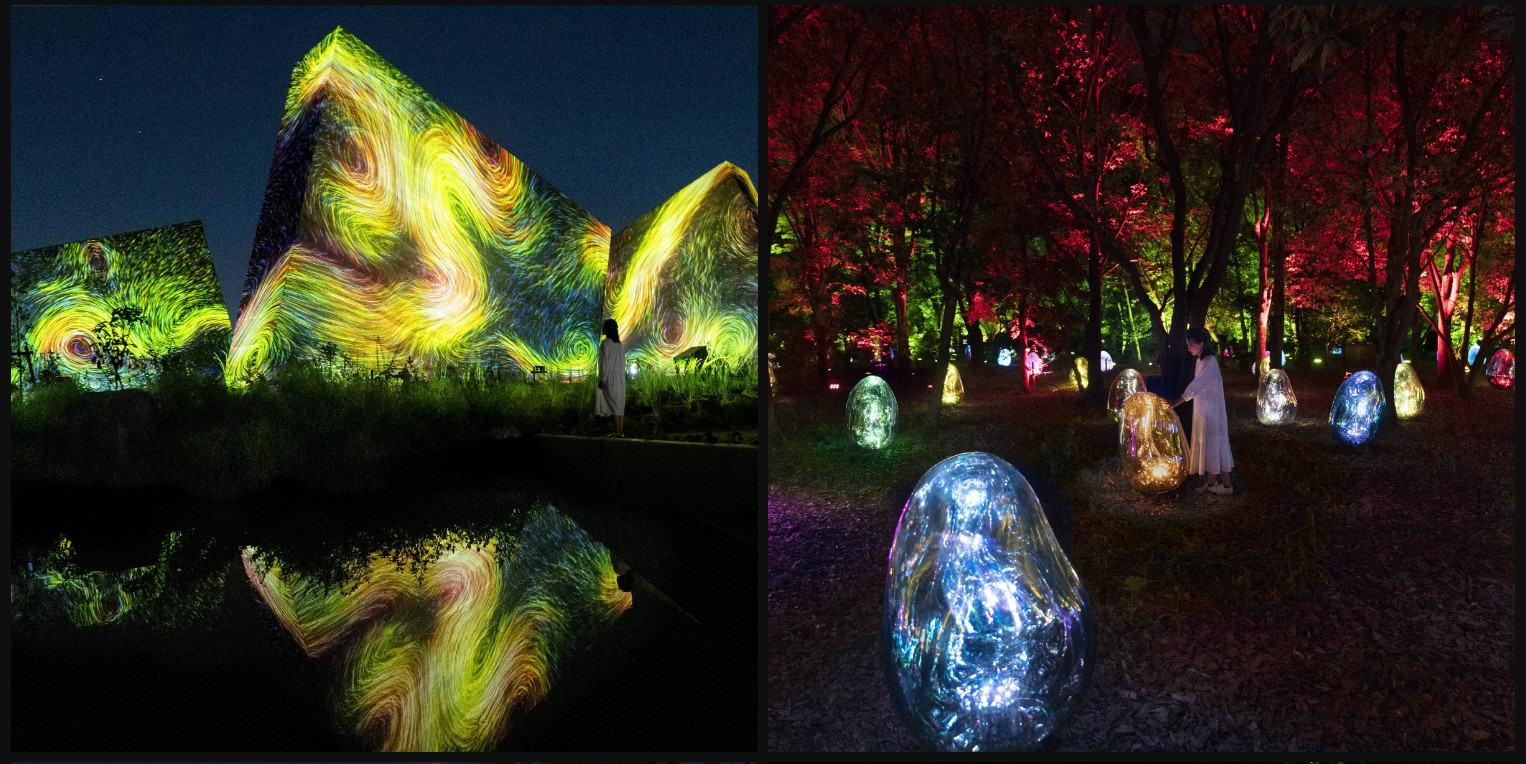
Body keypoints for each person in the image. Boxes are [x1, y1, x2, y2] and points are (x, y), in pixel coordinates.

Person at [1172, 327, 1234, 495]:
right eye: (1187, 344)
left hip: (1212, 410)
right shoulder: (1200, 360)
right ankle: (1212, 483)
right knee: (1208, 444)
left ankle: (1227, 486)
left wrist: (1175, 403)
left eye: (1191, 344)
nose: (1188, 347)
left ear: (1201, 343)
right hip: (1203, 409)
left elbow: (1195, 387)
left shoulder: (1210, 361)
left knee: (1216, 444)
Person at [596, 318, 627, 437]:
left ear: (607, 329)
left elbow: (604, 364)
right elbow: (623, 362)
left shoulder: (605, 344)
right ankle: (620, 431)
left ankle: (617, 431)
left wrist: (602, 379)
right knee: (619, 404)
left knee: (614, 405)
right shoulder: (619, 344)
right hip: (620, 379)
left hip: (610, 378)